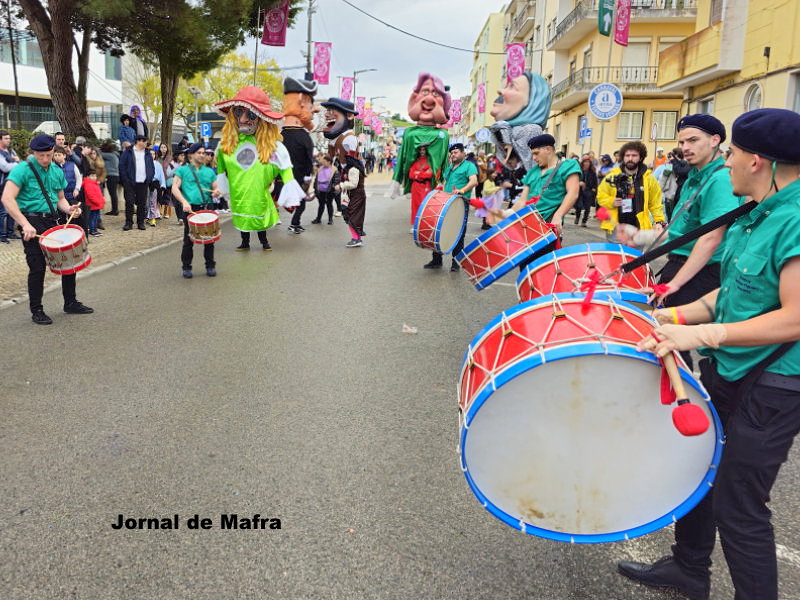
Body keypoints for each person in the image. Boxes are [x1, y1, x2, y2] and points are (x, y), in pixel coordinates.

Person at [620, 107, 800, 600]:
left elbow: (795, 318)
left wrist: (701, 338)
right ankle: (689, 568)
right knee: (700, 467)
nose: (728, 163)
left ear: (757, 161)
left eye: (733, 154)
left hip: (776, 383)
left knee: (740, 506)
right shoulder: (753, 212)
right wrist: (670, 319)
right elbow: (732, 293)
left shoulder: (796, 219)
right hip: (734, 369)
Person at [651, 115, 741, 369]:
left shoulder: (720, 179)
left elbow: (712, 236)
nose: (685, 147)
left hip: (701, 271)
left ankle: (682, 398)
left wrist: (675, 284)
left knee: (670, 339)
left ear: (715, 140)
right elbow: (681, 228)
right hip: (681, 264)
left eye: (693, 140)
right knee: (664, 336)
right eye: (682, 141)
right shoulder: (695, 176)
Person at [0, 134, 92, 325]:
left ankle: (71, 302)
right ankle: (37, 310)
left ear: (54, 152)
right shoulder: (22, 170)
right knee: (37, 267)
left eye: (48, 155)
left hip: (52, 220)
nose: (44, 159)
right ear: (33, 153)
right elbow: (7, 198)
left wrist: (69, 209)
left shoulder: (56, 171)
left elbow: (60, 199)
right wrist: (24, 224)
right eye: (40, 155)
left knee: (68, 261)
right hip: (31, 221)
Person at [214, 86, 305, 251]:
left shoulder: (271, 147)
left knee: (259, 219)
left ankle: (264, 242)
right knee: (242, 221)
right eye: (238, 112)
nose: (242, 119)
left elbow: (285, 167)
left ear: (262, 118)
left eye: (251, 114)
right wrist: (221, 182)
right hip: (239, 195)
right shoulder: (228, 145)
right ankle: (245, 242)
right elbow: (220, 164)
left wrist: (290, 186)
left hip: (258, 195)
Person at [493, 134, 580, 261]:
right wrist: (507, 213)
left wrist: (558, 215)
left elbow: (573, 193)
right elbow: (522, 201)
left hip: (547, 230)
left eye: (536, 153)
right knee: (526, 271)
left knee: (543, 272)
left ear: (548, 149)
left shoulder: (568, 165)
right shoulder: (533, 172)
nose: (533, 158)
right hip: (527, 229)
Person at [596, 141, 665, 241]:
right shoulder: (612, 176)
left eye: (634, 155)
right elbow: (600, 196)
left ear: (641, 158)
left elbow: (655, 203)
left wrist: (659, 221)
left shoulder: (649, 179)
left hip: (639, 229)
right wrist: (611, 201)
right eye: (627, 155)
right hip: (616, 228)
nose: (630, 159)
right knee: (616, 255)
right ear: (623, 157)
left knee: (636, 256)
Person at [424, 143, 478, 271]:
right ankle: (437, 260)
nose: (453, 155)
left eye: (456, 152)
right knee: (438, 230)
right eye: (452, 153)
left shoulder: (469, 166)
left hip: (460, 203)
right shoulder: (450, 167)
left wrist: (462, 190)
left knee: (458, 233)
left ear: (463, 153)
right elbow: (444, 183)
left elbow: (473, 181)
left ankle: (456, 263)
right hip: (446, 203)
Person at [172, 143, 220, 278]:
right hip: (191, 208)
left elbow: (215, 187)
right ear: (190, 155)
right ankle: (186, 267)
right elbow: (174, 188)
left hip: (206, 207)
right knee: (189, 240)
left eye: (203, 153)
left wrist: (216, 192)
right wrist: (184, 202)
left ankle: (210, 266)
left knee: (209, 239)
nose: (202, 155)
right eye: (199, 152)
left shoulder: (209, 171)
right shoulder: (183, 170)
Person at [280, 77, 318, 235]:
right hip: (298, 179)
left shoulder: (280, 135)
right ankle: (295, 223)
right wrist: (308, 179)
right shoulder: (303, 137)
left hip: (280, 179)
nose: (314, 110)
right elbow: (309, 161)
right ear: (302, 100)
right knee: (301, 203)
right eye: (311, 104)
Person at [119, 135, 154, 231]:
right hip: (130, 182)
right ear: (139, 141)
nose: (146, 143)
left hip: (143, 183)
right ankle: (128, 223)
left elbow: (151, 167)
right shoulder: (128, 152)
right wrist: (125, 179)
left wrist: (149, 178)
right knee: (129, 202)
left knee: (142, 204)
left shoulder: (147, 153)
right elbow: (122, 166)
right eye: (145, 141)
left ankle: (140, 223)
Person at [339, 154, 367, 248]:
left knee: (352, 216)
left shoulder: (353, 170)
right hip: (357, 195)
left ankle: (356, 239)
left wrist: (341, 185)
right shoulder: (357, 169)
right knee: (355, 216)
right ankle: (356, 238)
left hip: (357, 196)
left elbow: (353, 184)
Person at [659, 146, 691, 220]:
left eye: (674, 155)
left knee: (675, 219)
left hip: (678, 196)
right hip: (670, 195)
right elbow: (664, 177)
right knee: (671, 218)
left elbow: (679, 171)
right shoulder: (669, 165)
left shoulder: (685, 164)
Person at [0, 130, 21, 242]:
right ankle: (2, 235)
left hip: (13, 184)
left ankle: (10, 232)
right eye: (6, 138)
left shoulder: (11, 151)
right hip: (2, 185)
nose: (8, 140)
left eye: (9, 138)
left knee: (12, 209)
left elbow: (18, 162)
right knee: (3, 211)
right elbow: (5, 167)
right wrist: (16, 163)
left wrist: (16, 162)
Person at [408, 143, 434, 230]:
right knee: (415, 205)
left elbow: (430, 175)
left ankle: (424, 225)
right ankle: (414, 225)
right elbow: (411, 175)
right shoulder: (415, 161)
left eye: (424, 150)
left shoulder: (430, 161)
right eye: (421, 150)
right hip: (415, 186)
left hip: (426, 185)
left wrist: (418, 173)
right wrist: (423, 173)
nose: (422, 151)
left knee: (425, 205)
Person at [311, 155, 339, 225]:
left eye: (324, 162)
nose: (323, 163)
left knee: (329, 204)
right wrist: (315, 188)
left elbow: (336, 181)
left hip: (329, 190)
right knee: (321, 205)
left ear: (329, 162)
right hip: (320, 191)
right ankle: (318, 218)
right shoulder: (320, 168)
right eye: (322, 162)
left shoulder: (334, 170)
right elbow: (316, 179)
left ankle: (330, 219)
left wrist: (334, 187)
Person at [575, 156, 598, 227]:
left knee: (587, 207)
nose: (586, 163)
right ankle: (577, 216)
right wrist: (579, 183)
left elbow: (595, 183)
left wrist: (593, 191)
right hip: (580, 191)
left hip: (589, 191)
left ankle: (584, 221)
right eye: (585, 162)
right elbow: (575, 180)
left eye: (588, 162)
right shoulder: (579, 171)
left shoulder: (592, 172)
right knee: (578, 206)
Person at [82, 169, 105, 237]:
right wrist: (98, 202)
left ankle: (95, 229)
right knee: (92, 218)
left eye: (95, 176)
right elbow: (91, 195)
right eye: (92, 176)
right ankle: (92, 230)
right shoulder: (88, 184)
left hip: (97, 205)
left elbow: (99, 194)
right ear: (88, 176)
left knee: (96, 217)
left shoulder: (95, 184)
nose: (94, 177)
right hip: (92, 205)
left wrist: (102, 201)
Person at [100, 141, 120, 216]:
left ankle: (115, 210)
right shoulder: (115, 154)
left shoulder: (110, 155)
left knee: (113, 194)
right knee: (113, 194)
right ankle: (115, 209)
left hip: (111, 176)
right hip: (115, 176)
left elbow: (100, 154)